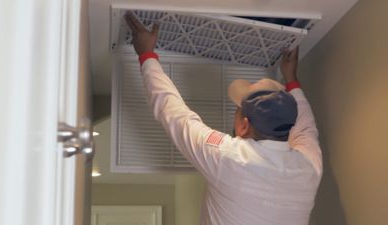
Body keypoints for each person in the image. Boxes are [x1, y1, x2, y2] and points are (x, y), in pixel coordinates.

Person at [125, 11, 322, 225]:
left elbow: (175, 113)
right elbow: (305, 126)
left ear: (245, 125)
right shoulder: (307, 166)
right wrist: (147, 56)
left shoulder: (230, 157)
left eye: (236, 110)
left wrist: (146, 54)